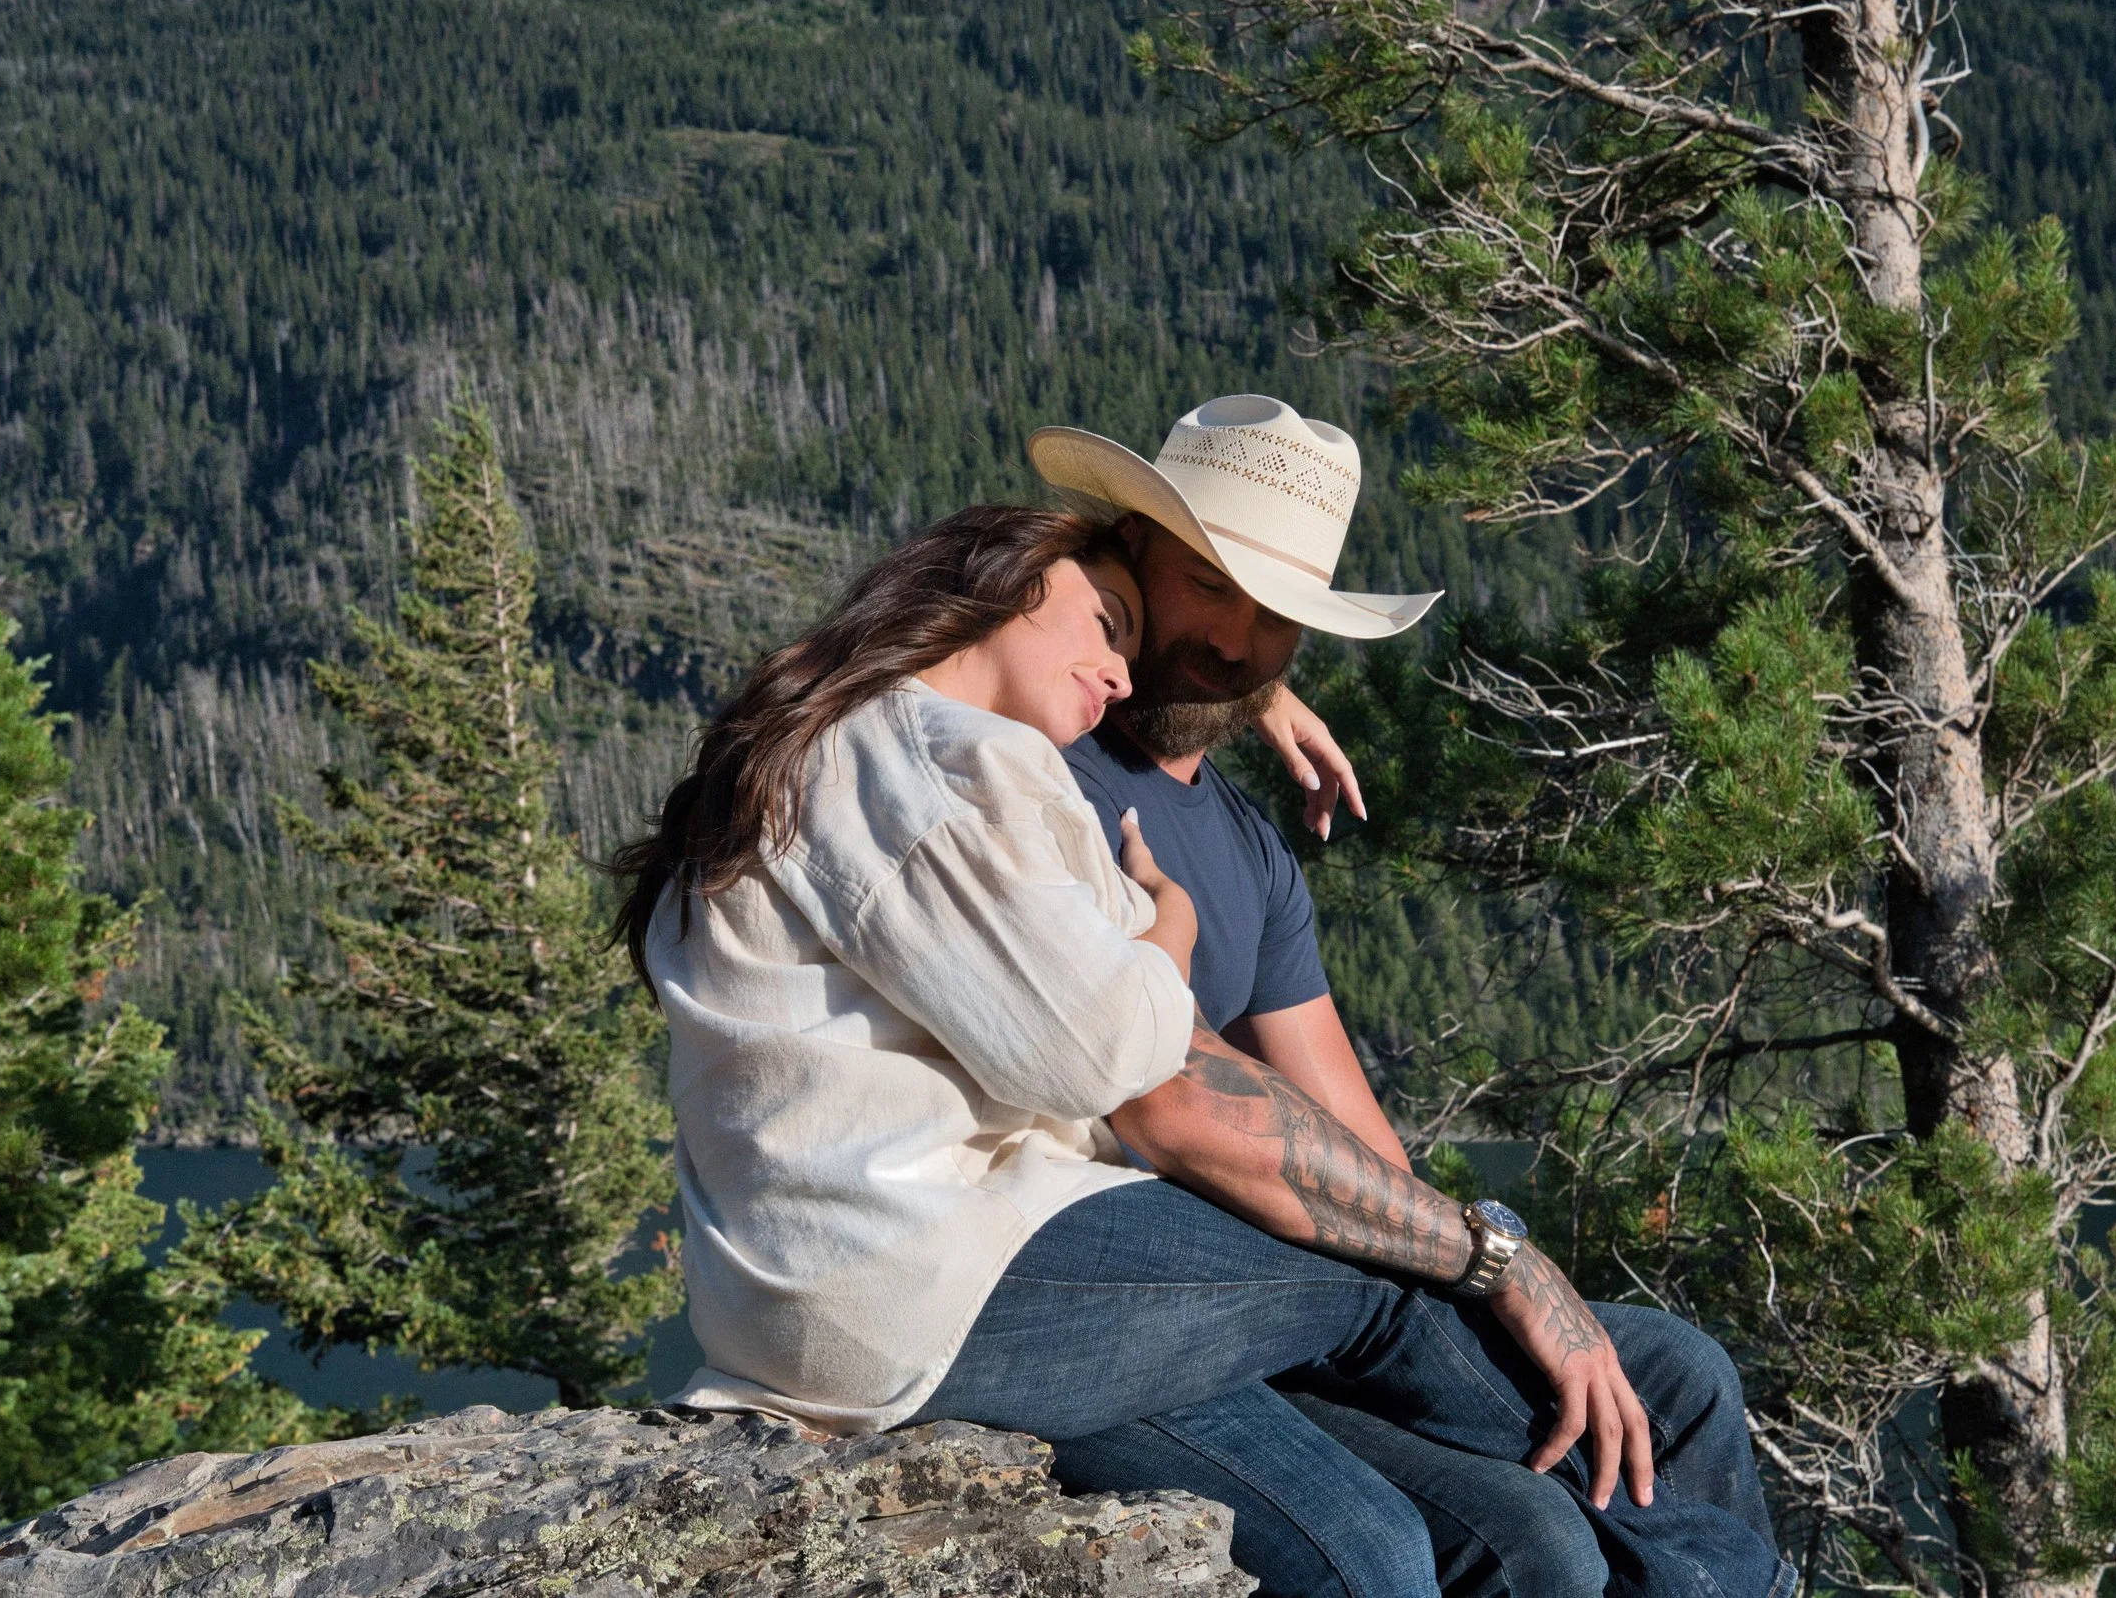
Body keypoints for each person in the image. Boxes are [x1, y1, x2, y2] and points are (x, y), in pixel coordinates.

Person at [614, 499, 1787, 1598]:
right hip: (928, 1268)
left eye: (1272, 619)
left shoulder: (865, 745)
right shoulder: (926, 758)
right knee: (1376, 1275)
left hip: (875, 1293)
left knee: (1366, 1549)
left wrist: (1250, 693)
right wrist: (1168, 937)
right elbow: (1102, 1059)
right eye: (1116, 624)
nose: (1124, 668)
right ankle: (1707, 1572)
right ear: (1022, 583)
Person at [1025, 395, 1789, 1598]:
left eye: (1274, 615)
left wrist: (1497, 1267)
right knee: (1528, 1538)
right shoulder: (1032, 759)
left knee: (1680, 1376)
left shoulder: (1249, 850)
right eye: (1204, 585)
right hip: (1141, 1302)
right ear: (1123, 557)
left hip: (1302, 1295)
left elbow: (1358, 1143)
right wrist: (1501, 1272)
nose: (1230, 638)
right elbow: (938, 610)